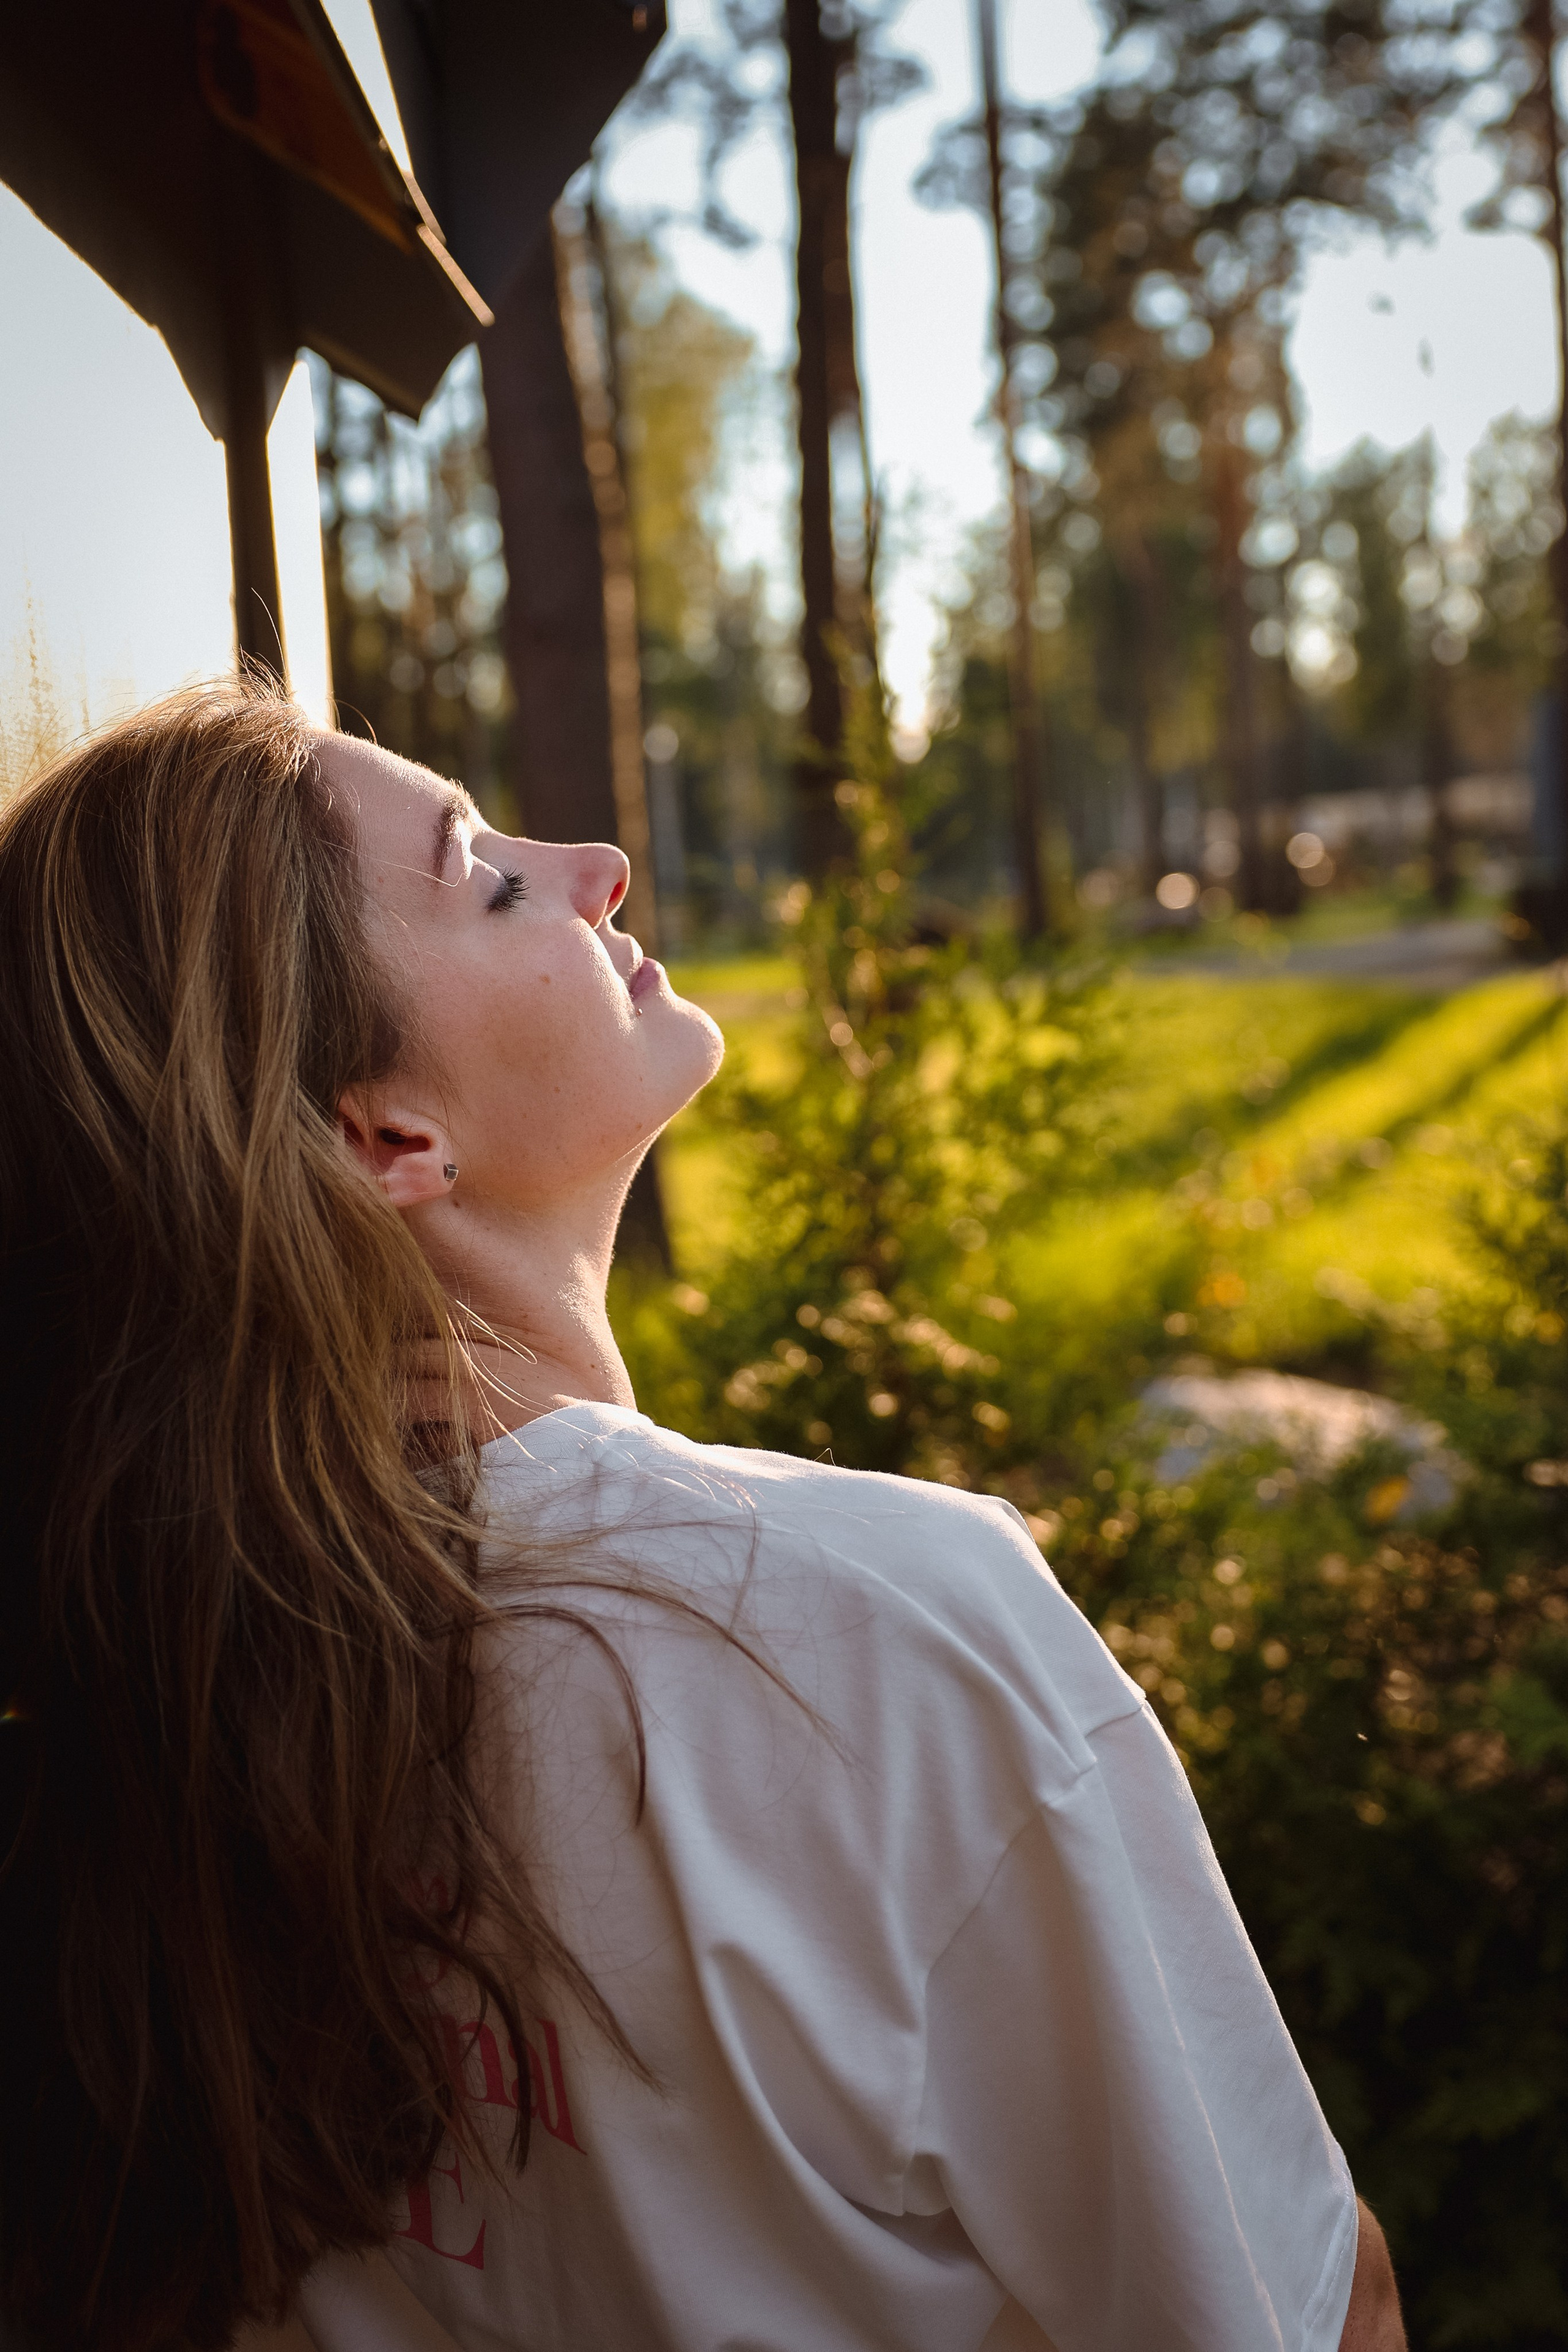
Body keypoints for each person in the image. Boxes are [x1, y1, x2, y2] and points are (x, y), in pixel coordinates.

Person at [0, 684, 1405, 2352]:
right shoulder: (871, 1630)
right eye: (486, 872)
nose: (594, 863)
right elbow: (1305, 2313)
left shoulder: (140, 1708)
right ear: (389, 1137)